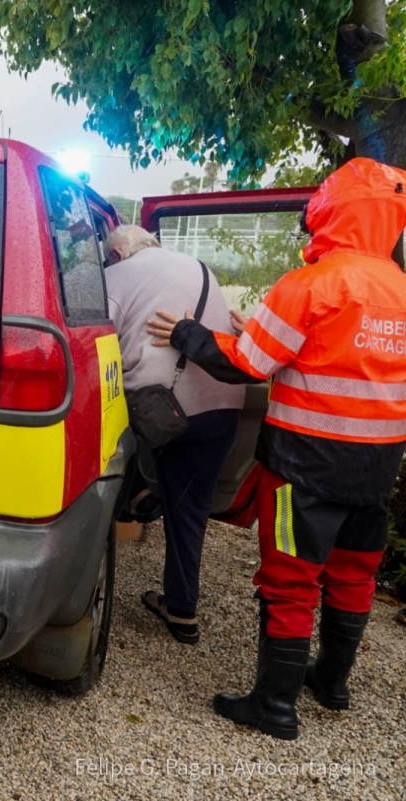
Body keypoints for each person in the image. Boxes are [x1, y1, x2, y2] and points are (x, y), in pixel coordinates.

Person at [148, 157, 406, 740]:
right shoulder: (400, 287)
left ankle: (274, 706)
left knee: (290, 580)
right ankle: (332, 684)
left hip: (306, 467)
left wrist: (190, 333)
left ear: (331, 211)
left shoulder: (313, 283)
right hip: (377, 469)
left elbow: (249, 362)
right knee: (352, 575)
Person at [103, 225, 245, 645]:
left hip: (160, 411)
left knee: (117, 466)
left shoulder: (117, 274)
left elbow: (91, 339)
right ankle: (182, 609)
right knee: (192, 508)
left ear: (117, 253)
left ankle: (135, 507)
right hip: (223, 405)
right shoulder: (200, 269)